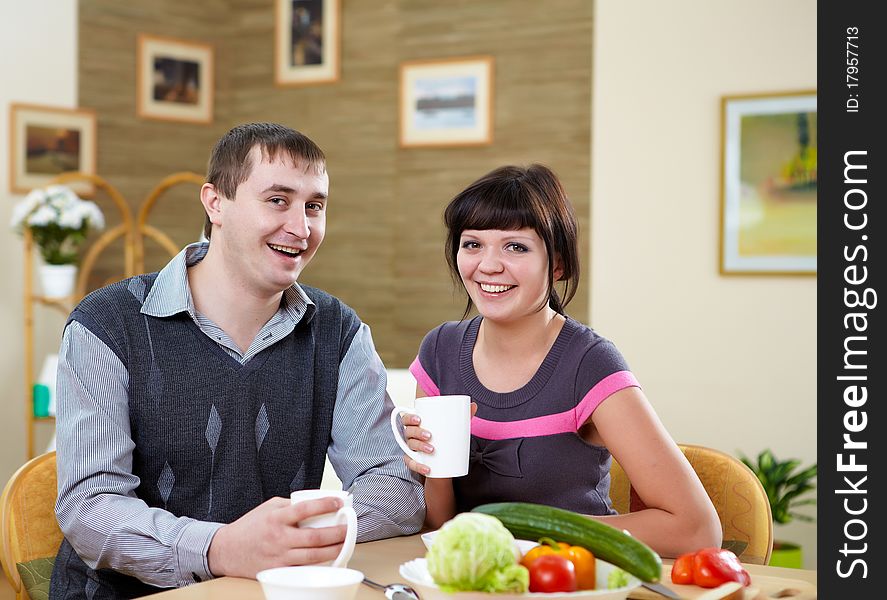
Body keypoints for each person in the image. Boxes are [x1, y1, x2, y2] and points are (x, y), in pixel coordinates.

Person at [51, 122, 425, 598]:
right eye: (277, 200)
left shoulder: (338, 330)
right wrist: (221, 548)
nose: (301, 228)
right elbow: (90, 507)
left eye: (315, 206)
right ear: (215, 203)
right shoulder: (106, 324)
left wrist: (294, 537)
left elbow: (395, 486)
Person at [401, 164, 721, 557]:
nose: (488, 265)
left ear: (558, 264)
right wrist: (431, 466)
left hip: (572, 579)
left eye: (515, 246)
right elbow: (440, 525)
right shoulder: (440, 351)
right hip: (478, 581)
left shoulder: (589, 363)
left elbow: (696, 529)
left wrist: (537, 533)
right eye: (472, 244)